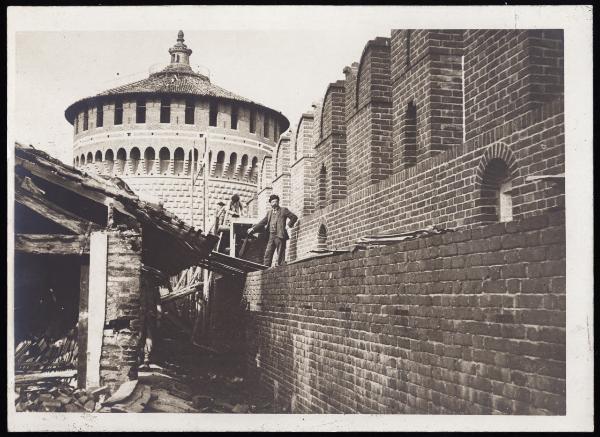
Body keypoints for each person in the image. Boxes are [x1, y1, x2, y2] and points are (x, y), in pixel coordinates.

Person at [247, 194, 298, 267]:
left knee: (280, 252)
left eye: (276, 201)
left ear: (278, 202)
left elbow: (294, 217)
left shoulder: (283, 210)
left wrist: (288, 226)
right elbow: (263, 222)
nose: (274, 203)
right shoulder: (269, 213)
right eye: (273, 202)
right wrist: (253, 228)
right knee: (268, 252)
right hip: (271, 235)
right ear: (270, 203)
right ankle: (265, 267)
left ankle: (281, 266)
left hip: (280, 234)